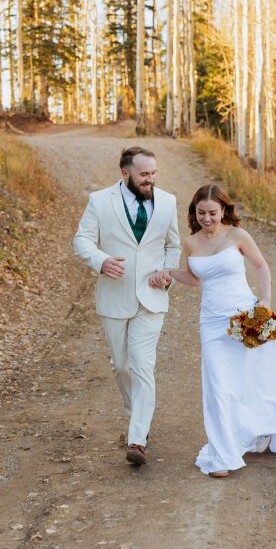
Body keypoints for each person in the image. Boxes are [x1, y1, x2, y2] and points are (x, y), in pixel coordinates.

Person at [150, 184, 276, 478]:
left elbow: (261, 266)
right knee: (218, 387)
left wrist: (265, 301)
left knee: (259, 378)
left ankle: (265, 432)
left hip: (244, 317)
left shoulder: (238, 236)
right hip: (211, 323)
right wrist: (170, 273)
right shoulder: (192, 243)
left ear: (224, 210)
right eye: (201, 213)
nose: (207, 218)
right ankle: (223, 454)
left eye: (212, 212)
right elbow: (196, 279)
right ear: (194, 212)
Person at [73, 146, 182, 466]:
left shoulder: (168, 202)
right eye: (144, 175)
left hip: (152, 297)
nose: (151, 180)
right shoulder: (99, 200)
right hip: (114, 296)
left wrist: (167, 274)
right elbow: (81, 240)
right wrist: (101, 260)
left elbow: (172, 245)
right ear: (126, 174)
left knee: (142, 365)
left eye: (153, 174)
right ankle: (137, 417)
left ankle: (137, 438)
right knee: (121, 366)